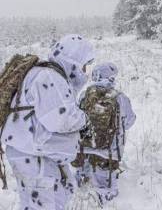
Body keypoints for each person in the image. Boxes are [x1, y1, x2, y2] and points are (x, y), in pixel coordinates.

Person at [1, 34, 94, 209]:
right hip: (34, 159)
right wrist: (85, 122)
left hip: (34, 156)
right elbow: (61, 118)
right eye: (84, 66)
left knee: (52, 199)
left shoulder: (43, 73)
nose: (84, 73)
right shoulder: (49, 77)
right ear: (73, 60)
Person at [73, 63, 136, 205]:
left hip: (84, 148)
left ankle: (79, 200)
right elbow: (130, 121)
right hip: (109, 151)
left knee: (82, 180)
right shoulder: (120, 98)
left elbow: (75, 120)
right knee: (105, 185)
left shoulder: (84, 95)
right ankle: (105, 202)